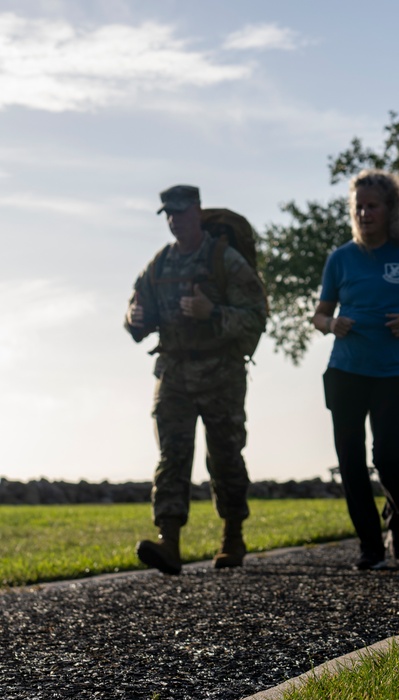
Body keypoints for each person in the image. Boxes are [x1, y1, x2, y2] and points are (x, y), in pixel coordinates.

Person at [125, 184, 267, 575]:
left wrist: (213, 313)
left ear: (199, 213)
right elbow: (138, 310)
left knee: (224, 455)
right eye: (168, 214)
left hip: (221, 373)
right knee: (172, 456)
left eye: (181, 213)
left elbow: (256, 316)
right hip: (174, 373)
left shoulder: (226, 260)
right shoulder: (160, 265)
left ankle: (232, 536)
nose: (174, 221)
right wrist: (133, 320)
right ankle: (168, 542)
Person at [312, 169, 399, 571]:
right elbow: (319, 315)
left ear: (390, 209)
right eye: (358, 207)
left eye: (372, 206)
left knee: (389, 455)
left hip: (397, 370)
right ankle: (370, 545)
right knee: (350, 461)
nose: (364, 213)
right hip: (347, 370)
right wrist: (331, 324)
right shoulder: (340, 258)